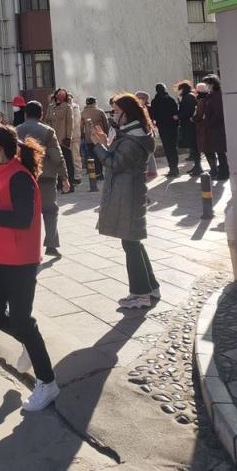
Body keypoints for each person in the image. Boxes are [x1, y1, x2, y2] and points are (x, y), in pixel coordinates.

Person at [0, 124, 60, 412]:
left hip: (20, 260)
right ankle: (28, 343)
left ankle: (47, 382)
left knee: (22, 319)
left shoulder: (19, 176)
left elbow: (21, 219)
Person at [90, 93, 160, 309]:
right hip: (128, 191)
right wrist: (105, 143)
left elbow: (115, 163)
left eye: (117, 111)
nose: (113, 115)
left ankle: (140, 293)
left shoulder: (132, 138)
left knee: (130, 242)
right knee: (132, 241)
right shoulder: (131, 134)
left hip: (128, 193)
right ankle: (151, 287)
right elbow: (118, 158)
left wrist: (99, 146)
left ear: (127, 113)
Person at [17, 100, 70, 257]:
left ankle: (27, 248)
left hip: (22, 178)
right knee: (50, 211)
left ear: (25, 114)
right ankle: (51, 245)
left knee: (25, 212)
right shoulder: (48, 131)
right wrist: (64, 177)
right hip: (46, 177)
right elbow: (56, 156)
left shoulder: (16, 131)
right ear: (41, 114)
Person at [197, 74, 229, 180]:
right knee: (219, 151)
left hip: (217, 128)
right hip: (213, 128)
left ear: (212, 84)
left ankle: (224, 173)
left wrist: (210, 122)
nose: (205, 86)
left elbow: (219, 113)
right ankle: (222, 172)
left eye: (207, 84)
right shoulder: (211, 95)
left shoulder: (217, 95)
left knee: (221, 152)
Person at [45, 88, 75, 192]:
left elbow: (70, 123)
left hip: (63, 138)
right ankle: (58, 184)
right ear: (56, 95)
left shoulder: (67, 107)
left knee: (67, 162)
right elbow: (46, 120)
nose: (61, 96)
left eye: (63, 95)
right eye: (59, 94)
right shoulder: (50, 107)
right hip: (52, 138)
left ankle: (70, 184)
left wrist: (68, 137)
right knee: (55, 161)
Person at [150, 83, 179, 177]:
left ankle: (172, 168)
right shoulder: (171, 100)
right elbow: (176, 113)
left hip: (163, 127)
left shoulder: (155, 101)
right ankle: (175, 168)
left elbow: (153, 115)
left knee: (167, 148)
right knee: (173, 147)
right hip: (173, 127)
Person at [177, 81, 202, 176]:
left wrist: (178, 116)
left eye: (180, 89)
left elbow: (187, 111)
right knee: (194, 147)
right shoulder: (189, 96)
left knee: (194, 147)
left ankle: (198, 167)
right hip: (189, 125)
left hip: (189, 125)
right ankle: (197, 166)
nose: (179, 91)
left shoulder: (188, 97)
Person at [80, 97, 109, 181]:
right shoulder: (100, 111)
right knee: (100, 155)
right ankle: (100, 173)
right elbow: (106, 124)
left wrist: (82, 135)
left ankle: (94, 174)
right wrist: (106, 134)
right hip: (100, 137)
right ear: (94, 103)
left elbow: (81, 126)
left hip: (89, 138)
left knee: (92, 156)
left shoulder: (83, 113)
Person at [135, 91, 158, 180]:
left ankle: (149, 171)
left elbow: (152, 119)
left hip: (146, 131)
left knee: (148, 152)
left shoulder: (147, 108)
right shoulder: (138, 108)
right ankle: (150, 171)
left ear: (145, 99)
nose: (138, 100)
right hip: (144, 131)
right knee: (147, 152)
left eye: (140, 98)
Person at [193, 82, 210, 174]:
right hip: (210, 125)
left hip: (202, 126)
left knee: (207, 149)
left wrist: (193, 119)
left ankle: (214, 169)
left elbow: (199, 115)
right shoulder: (210, 98)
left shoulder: (200, 101)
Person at [67, 93, 83, 184]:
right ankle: (72, 176)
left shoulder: (75, 108)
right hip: (67, 137)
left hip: (74, 136)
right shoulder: (65, 107)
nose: (69, 100)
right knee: (69, 158)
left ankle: (78, 177)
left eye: (70, 98)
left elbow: (75, 122)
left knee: (75, 157)